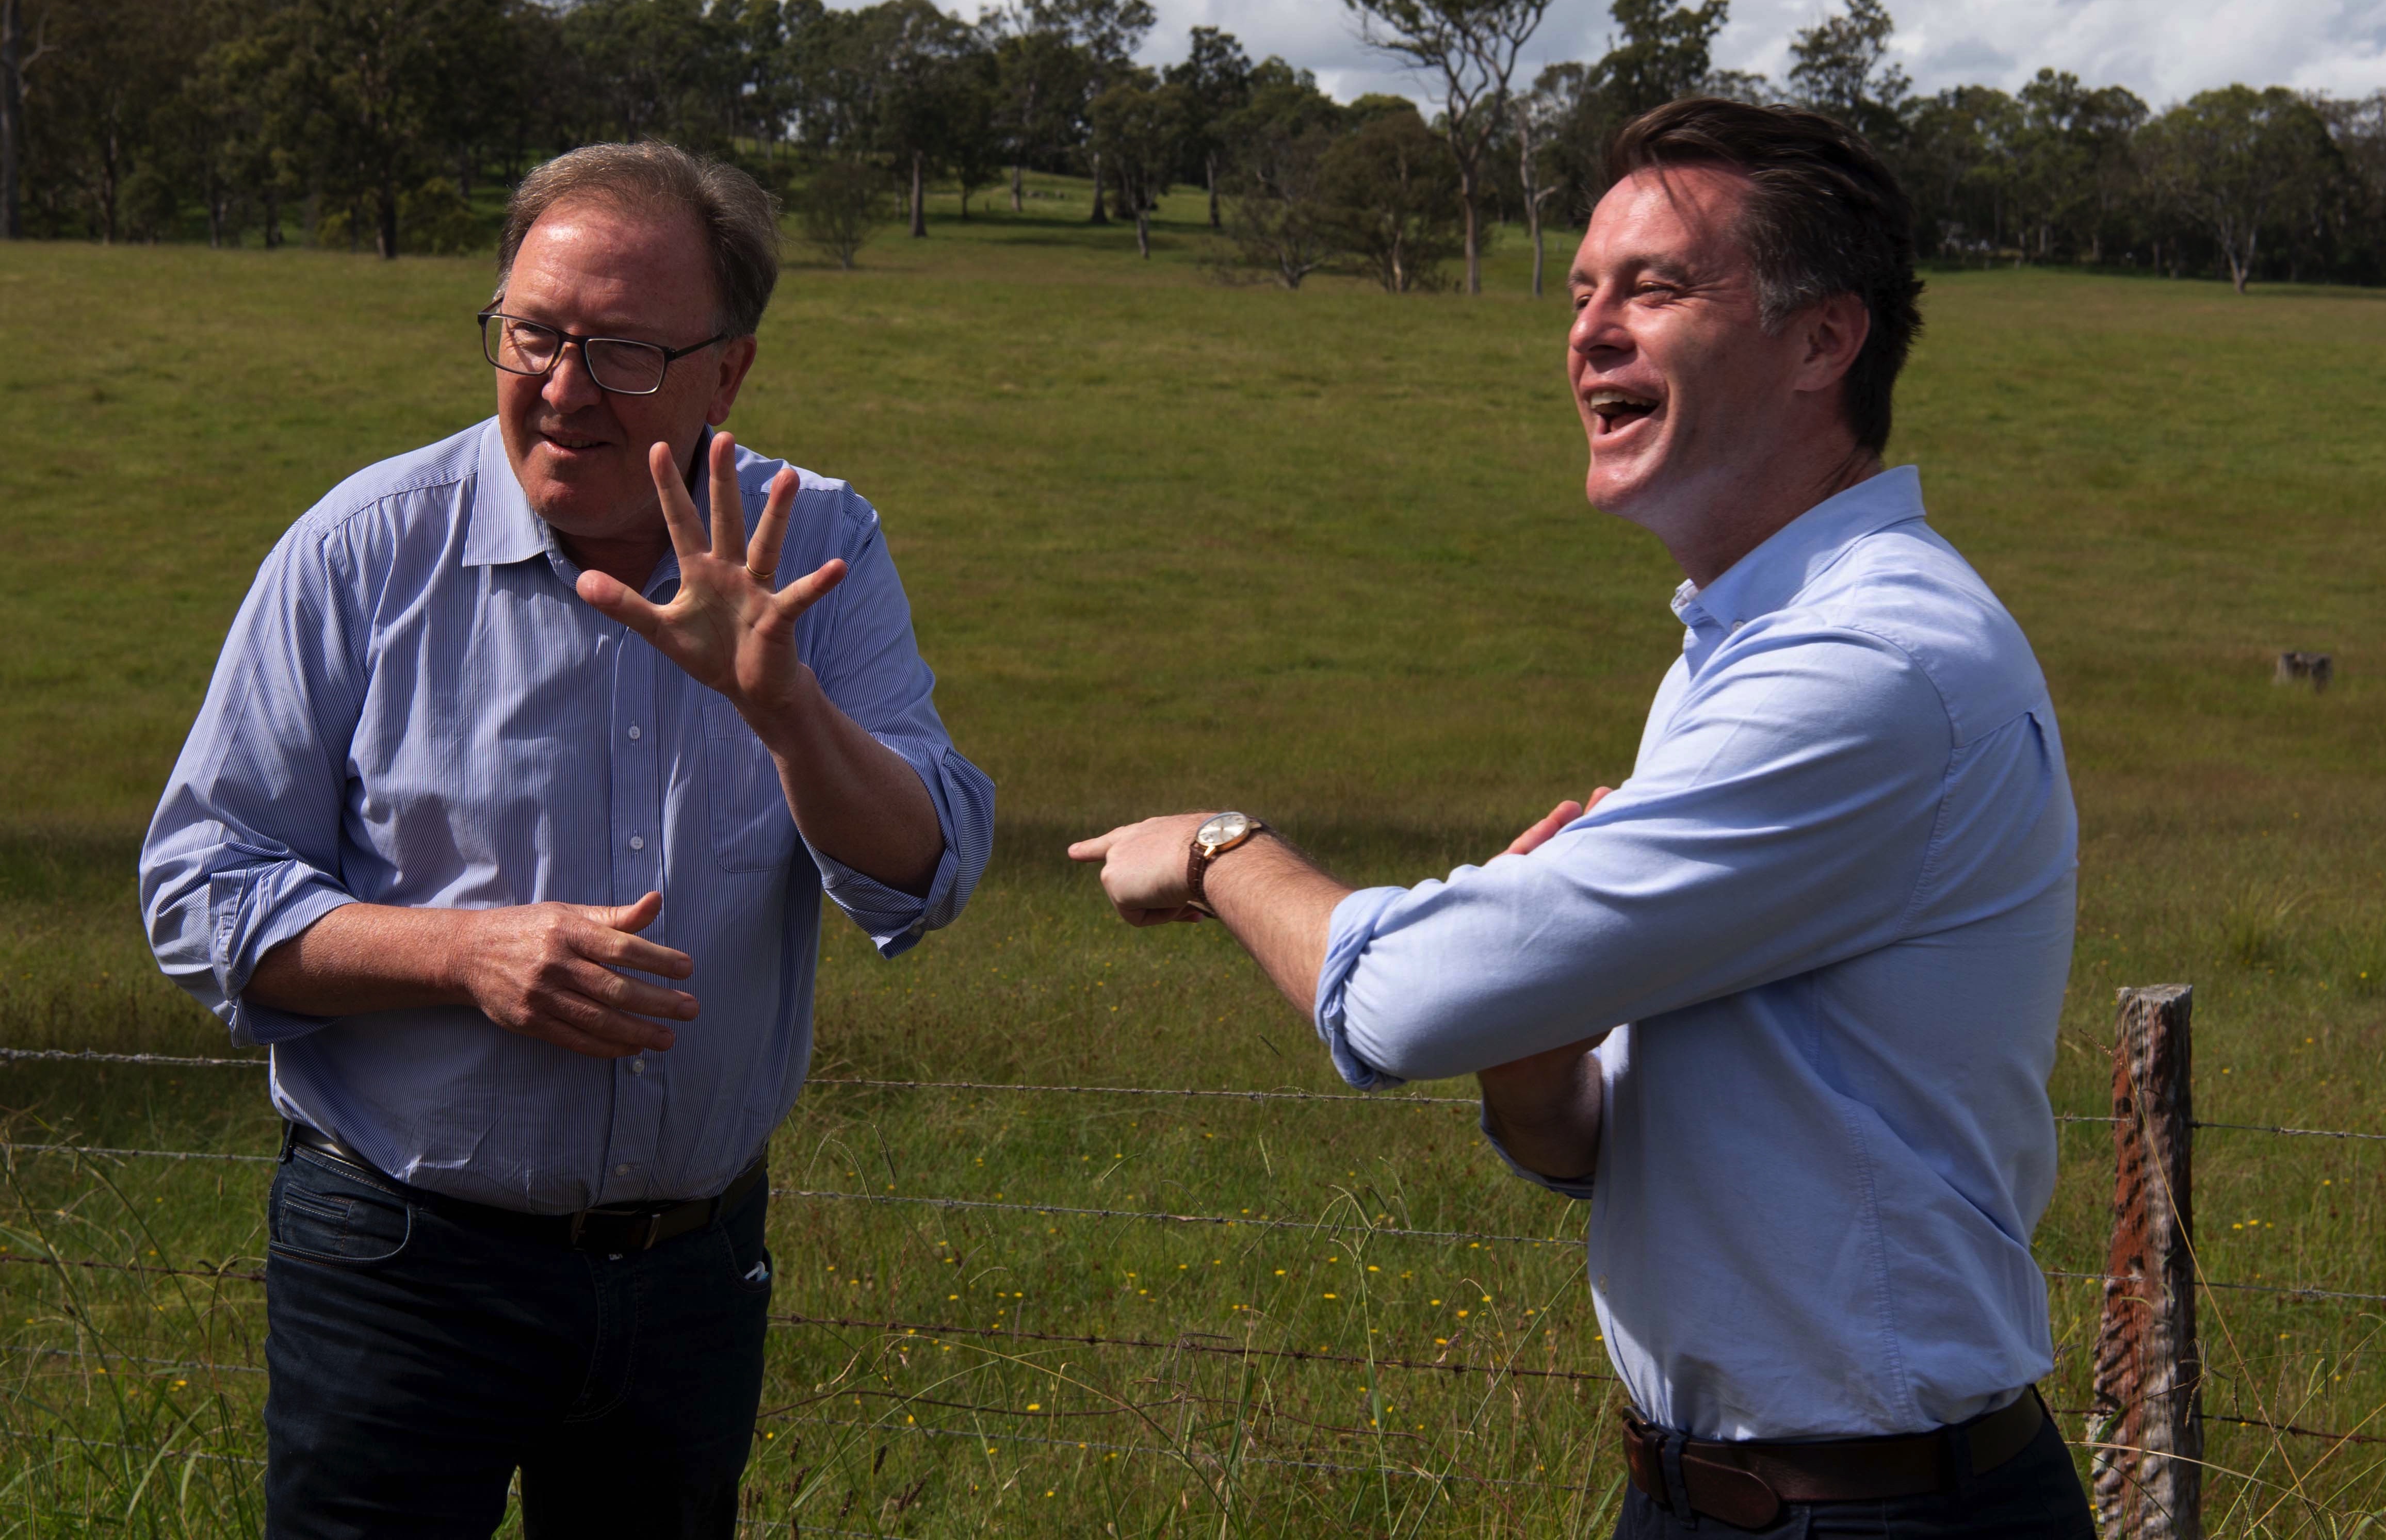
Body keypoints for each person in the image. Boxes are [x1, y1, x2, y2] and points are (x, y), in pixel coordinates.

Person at [1069, 99, 2090, 1538]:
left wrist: (1227, 850)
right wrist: (1532, 1065)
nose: (1590, 331)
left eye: (1657, 287)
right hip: (1715, 1499)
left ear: (1821, 342)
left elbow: (1406, 1003)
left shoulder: (1868, 668)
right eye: (1582, 291)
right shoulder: (1741, 648)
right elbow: (1598, 1136)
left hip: (1871, 1513)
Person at [140, 141, 994, 1537]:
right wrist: (461, 954)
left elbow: (928, 869)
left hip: (690, 1271)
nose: (560, 387)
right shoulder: (362, 551)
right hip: (401, 1259)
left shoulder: (817, 544)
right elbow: (198, 887)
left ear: (730, 371)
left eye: (623, 352)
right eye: (532, 333)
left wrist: (784, 708)